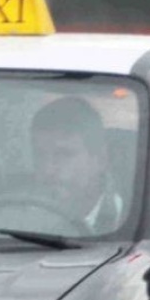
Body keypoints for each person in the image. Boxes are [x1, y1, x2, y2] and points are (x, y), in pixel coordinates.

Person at [30, 96, 122, 233]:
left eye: (63, 155)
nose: (48, 169)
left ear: (101, 160)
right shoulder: (18, 217)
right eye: (40, 155)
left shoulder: (130, 221)